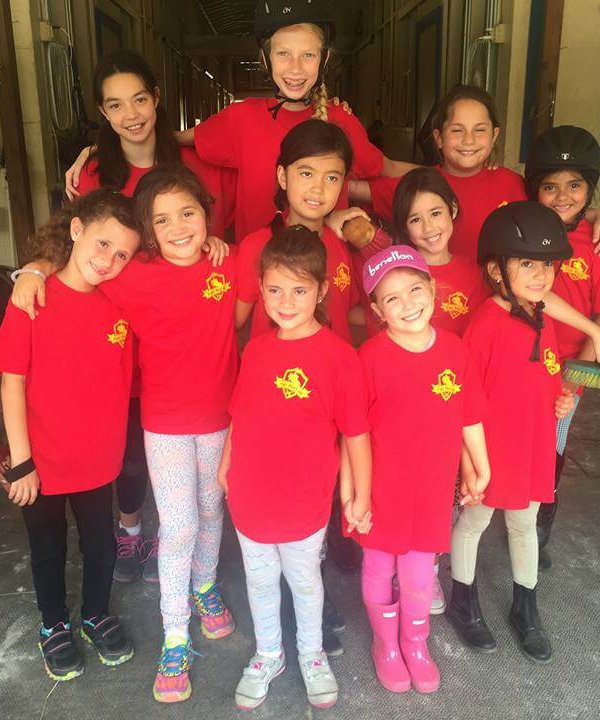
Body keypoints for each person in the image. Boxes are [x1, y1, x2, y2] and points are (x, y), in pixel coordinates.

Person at [9, 167, 238, 702]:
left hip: (220, 420)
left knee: (211, 509)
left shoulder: (225, 265)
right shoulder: (129, 273)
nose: (178, 227)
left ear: (208, 213)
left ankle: (204, 586)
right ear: (149, 234)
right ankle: (175, 636)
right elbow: (77, 265)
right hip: (162, 425)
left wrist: (217, 243)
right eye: (161, 219)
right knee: (178, 527)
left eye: (189, 213)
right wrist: (31, 270)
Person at [62, 50, 234, 584]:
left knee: (183, 470)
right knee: (134, 450)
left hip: (182, 341)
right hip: (125, 327)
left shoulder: (193, 167)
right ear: (102, 112)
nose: (131, 112)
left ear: (158, 99)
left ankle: (177, 551)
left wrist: (217, 245)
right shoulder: (93, 173)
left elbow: (211, 231)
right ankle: (133, 531)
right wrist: (32, 277)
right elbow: (82, 249)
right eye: (115, 104)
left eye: (140, 98)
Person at [218, 226, 372, 710]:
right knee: (260, 580)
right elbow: (239, 415)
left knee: (305, 580)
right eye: (275, 289)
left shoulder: (339, 358)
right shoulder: (258, 349)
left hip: (304, 497)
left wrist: (360, 494)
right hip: (250, 494)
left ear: (322, 291)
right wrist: (225, 465)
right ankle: (269, 653)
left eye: (299, 289)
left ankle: (309, 652)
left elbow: (356, 434)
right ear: (260, 289)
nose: (285, 301)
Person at [0, 189, 140, 681]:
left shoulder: (119, 309)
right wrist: (21, 461)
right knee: (47, 547)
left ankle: (95, 612)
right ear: (76, 229)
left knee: (101, 543)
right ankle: (53, 623)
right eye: (102, 244)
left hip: (98, 460)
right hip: (40, 460)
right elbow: (12, 380)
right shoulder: (31, 298)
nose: (109, 260)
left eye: (122, 254)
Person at [357, 245, 489, 693]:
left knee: (418, 574)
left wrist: (478, 466)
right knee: (378, 567)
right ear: (376, 310)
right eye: (391, 298)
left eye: (415, 289)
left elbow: (469, 414)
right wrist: (353, 493)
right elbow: (352, 434)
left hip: (432, 489)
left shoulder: (455, 350)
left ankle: (415, 643)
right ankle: (385, 645)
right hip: (381, 489)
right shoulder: (369, 358)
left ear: (433, 290)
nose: (408, 303)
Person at [447, 202, 576, 664]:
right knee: (477, 521)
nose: (540, 274)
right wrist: (470, 466)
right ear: (496, 271)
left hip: (533, 442)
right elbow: (464, 401)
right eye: (526, 263)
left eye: (545, 264)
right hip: (490, 451)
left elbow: (549, 375)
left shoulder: (543, 318)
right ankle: (463, 600)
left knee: (524, 523)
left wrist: (562, 399)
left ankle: (526, 608)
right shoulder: (484, 326)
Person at [524, 125, 600, 569]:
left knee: (553, 445)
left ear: (589, 189)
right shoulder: (525, 231)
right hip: (523, 363)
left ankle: (539, 529)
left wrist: (576, 379)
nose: (563, 195)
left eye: (574, 185)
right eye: (550, 186)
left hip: (571, 369)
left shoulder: (592, 244)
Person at [351, 85, 527, 259]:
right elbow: (346, 188)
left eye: (480, 130)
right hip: (433, 286)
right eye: (457, 130)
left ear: (494, 136)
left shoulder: (512, 183)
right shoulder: (420, 185)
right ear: (439, 138)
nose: (469, 140)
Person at [236, 119, 361, 343]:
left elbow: (346, 312)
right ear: (283, 177)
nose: (318, 188)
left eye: (331, 178)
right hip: (278, 376)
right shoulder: (256, 246)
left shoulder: (341, 242)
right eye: (306, 173)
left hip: (334, 374)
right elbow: (233, 324)